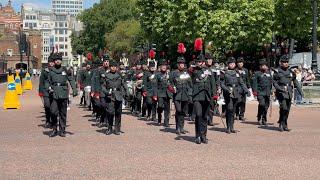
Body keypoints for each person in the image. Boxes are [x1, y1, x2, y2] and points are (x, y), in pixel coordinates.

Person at [48, 53, 78, 137]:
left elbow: (71, 79)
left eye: (59, 60)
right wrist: (49, 88)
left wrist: (74, 90)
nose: (58, 61)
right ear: (54, 61)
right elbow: (47, 82)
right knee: (53, 112)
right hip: (54, 93)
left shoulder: (65, 69)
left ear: (61, 61)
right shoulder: (51, 70)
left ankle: (62, 130)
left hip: (63, 93)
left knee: (63, 113)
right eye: (56, 60)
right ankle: (54, 129)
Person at [273, 55, 303, 132]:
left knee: (287, 109)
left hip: (289, 92)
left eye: (287, 62)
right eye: (284, 62)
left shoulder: (291, 72)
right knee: (284, 107)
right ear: (281, 63)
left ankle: (284, 124)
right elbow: (275, 83)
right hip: (281, 92)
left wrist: (300, 91)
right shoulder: (277, 71)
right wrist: (280, 89)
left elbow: (295, 82)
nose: (286, 63)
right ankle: (281, 124)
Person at [191, 54, 216, 144]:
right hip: (197, 96)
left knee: (205, 116)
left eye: (200, 61)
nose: (199, 63)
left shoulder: (209, 71)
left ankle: (203, 135)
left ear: (203, 62)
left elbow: (213, 83)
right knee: (198, 115)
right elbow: (192, 80)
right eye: (197, 62)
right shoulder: (194, 71)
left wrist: (214, 94)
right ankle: (197, 135)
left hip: (207, 96)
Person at [221, 57, 250, 134]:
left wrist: (247, 90)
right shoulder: (224, 72)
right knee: (229, 109)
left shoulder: (237, 73)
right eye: (231, 63)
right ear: (228, 64)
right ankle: (228, 127)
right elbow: (222, 84)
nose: (232, 65)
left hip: (236, 93)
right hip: (228, 94)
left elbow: (241, 83)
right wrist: (227, 89)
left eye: (233, 63)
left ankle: (232, 127)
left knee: (233, 110)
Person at [101, 60, 128, 135]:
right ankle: (109, 128)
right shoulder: (106, 75)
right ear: (110, 67)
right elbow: (103, 86)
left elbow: (124, 84)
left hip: (118, 95)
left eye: (115, 67)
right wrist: (106, 92)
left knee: (118, 113)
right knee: (110, 112)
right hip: (110, 96)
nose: (113, 68)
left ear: (117, 67)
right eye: (112, 66)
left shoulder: (120, 75)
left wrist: (127, 93)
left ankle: (117, 129)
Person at [169, 57, 192, 134]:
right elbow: (170, 83)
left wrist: (190, 94)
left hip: (185, 95)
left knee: (183, 112)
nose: (182, 65)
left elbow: (190, 84)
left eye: (183, 64)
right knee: (178, 110)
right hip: (177, 95)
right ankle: (177, 127)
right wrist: (172, 88)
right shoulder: (173, 73)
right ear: (178, 65)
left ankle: (181, 127)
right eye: (180, 64)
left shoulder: (186, 73)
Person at [252, 60, 273, 125]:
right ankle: (259, 117)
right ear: (260, 66)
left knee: (266, 106)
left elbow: (271, 82)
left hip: (267, 93)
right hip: (260, 92)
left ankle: (264, 119)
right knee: (262, 104)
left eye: (265, 65)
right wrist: (255, 92)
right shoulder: (257, 73)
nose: (264, 67)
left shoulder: (269, 73)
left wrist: (272, 90)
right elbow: (254, 83)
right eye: (263, 65)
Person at [38, 54, 55, 128]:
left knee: (53, 107)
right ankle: (47, 120)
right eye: (50, 62)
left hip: (54, 91)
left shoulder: (56, 70)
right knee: (47, 105)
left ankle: (52, 121)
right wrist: (40, 91)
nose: (51, 63)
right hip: (45, 90)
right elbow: (41, 81)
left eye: (52, 62)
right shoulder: (45, 70)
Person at [155, 59, 172, 127]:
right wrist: (155, 94)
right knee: (160, 106)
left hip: (167, 93)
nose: (164, 67)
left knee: (167, 108)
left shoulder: (169, 74)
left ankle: (166, 122)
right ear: (160, 67)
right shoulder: (158, 75)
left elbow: (172, 83)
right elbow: (155, 85)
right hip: (160, 93)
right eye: (163, 66)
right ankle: (159, 117)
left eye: (165, 66)